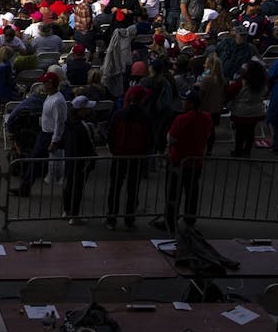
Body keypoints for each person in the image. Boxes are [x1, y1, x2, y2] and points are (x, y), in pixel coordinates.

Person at [158, 90, 212, 232]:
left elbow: (171, 138)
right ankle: (190, 218)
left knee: (172, 193)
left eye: (185, 100)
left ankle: (170, 220)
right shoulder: (206, 117)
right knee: (192, 191)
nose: (183, 102)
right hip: (196, 160)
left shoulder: (182, 119)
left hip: (178, 160)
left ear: (191, 103)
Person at [106, 85, 153, 229]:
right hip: (137, 157)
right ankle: (129, 219)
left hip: (119, 155)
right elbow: (150, 138)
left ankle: (111, 218)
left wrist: (114, 150)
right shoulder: (145, 117)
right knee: (133, 189)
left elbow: (110, 134)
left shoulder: (119, 114)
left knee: (115, 187)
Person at [17, 71, 66, 198]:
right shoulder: (51, 97)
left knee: (35, 161)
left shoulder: (57, 101)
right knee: (34, 161)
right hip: (44, 133)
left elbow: (59, 122)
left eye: (45, 82)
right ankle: (24, 188)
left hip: (49, 136)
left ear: (50, 84)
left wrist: (54, 141)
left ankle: (24, 189)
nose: (42, 84)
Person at [61, 94, 98, 226]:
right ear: (81, 110)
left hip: (70, 157)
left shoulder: (68, 123)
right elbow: (90, 144)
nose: (88, 110)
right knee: (78, 188)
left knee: (68, 185)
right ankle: (75, 215)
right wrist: (93, 158)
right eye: (86, 108)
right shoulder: (83, 126)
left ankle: (67, 210)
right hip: (81, 160)